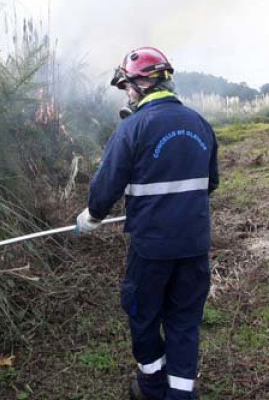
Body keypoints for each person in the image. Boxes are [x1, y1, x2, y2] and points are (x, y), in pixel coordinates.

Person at [75, 46, 219, 400]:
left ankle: (152, 386)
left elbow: (107, 184)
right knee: (184, 319)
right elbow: (209, 183)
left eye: (126, 86)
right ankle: (182, 394)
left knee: (142, 313)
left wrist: (91, 216)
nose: (126, 93)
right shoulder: (201, 125)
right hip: (194, 245)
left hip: (151, 248)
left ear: (141, 83)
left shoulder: (134, 127)